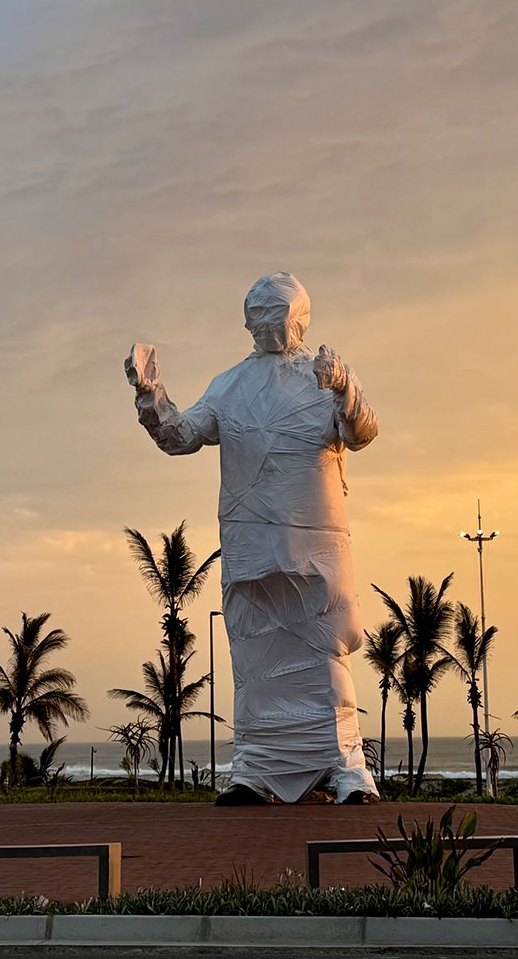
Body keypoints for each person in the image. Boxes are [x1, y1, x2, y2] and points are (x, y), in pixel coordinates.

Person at [126, 272, 380, 804]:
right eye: (262, 315)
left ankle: (346, 766)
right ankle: (256, 768)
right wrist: (151, 395)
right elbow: (180, 435)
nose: (271, 325)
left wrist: (342, 388)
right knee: (254, 658)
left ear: (300, 317)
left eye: (280, 314)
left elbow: (361, 433)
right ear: (248, 321)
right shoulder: (228, 386)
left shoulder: (323, 373)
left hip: (314, 539)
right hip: (248, 542)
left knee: (324, 647)